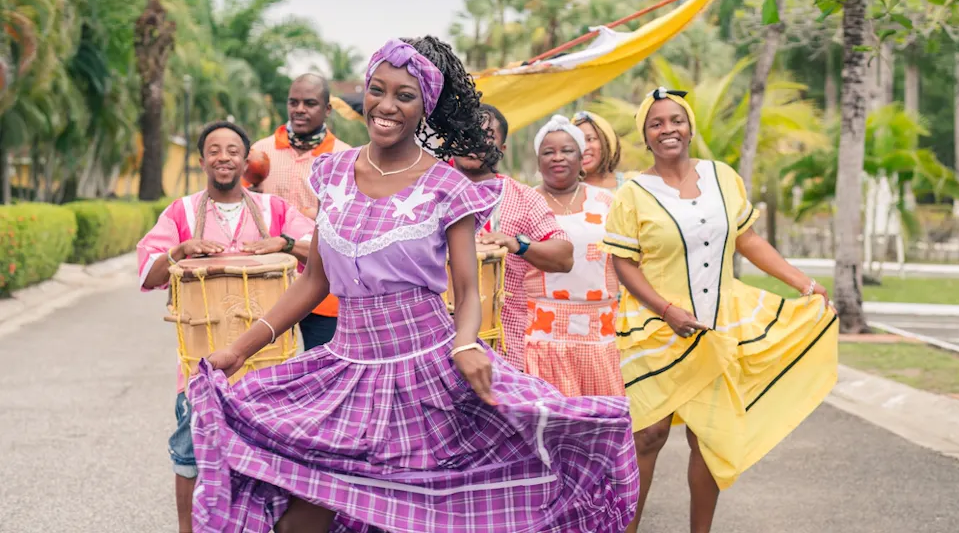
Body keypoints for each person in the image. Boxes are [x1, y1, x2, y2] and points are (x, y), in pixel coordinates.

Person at [187, 37, 640, 533]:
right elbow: (315, 280)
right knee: (302, 516)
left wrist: (467, 343)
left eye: (404, 96)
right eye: (377, 90)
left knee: (422, 515)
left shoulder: (447, 186)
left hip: (427, 374)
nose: (386, 106)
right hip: (347, 370)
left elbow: (467, 292)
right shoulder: (333, 172)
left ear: (426, 107)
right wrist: (240, 349)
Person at [602, 87, 839, 533]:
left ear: (689, 127)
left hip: (718, 324)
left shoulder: (723, 177)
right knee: (647, 436)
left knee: (707, 438)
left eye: (676, 120)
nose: (667, 129)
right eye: (656, 124)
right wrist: (666, 309)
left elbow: (748, 239)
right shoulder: (632, 192)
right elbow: (623, 262)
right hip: (655, 325)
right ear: (646, 135)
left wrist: (802, 281)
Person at [136, 120, 316, 533]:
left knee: (272, 460)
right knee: (190, 452)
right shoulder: (180, 212)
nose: (224, 157)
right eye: (214, 150)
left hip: (270, 367)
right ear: (202, 161)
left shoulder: (275, 211)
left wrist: (284, 243)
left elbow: (320, 255)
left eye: (233, 150)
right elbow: (148, 273)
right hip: (201, 364)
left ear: (245, 159)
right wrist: (179, 250)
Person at [452, 103, 575, 370]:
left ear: (502, 149)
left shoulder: (525, 198)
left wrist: (518, 244)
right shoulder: (428, 193)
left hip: (503, 354)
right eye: (465, 133)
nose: (473, 142)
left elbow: (564, 256)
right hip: (433, 349)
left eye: (486, 136)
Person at [523, 115, 622, 397]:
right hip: (541, 338)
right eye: (548, 152)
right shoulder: (525, 202)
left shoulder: (606, 202)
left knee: (597, 425)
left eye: (567, 151)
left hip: (599, 335)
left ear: (581, 158)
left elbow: (627, 260)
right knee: (550, 426)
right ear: (538, 160)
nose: (558, 158)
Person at [250, 73, 352, 350]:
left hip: (323, 287)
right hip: (266, 281)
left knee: (323, 370)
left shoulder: (345, 159)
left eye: (309, 103)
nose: (299, 110)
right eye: (293, 102)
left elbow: (350, 225)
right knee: (265, 366)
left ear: (327, 109)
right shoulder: (260, 152)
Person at [572, 110, 634, 190]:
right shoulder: (565, 193)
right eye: (577, 142)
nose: (584, 147)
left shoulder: (632, 184)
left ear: (606, 141)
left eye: (590, 139)